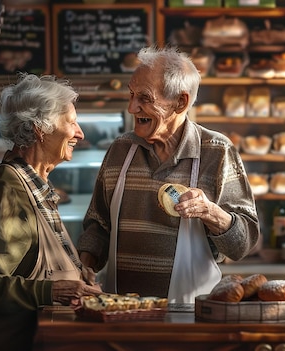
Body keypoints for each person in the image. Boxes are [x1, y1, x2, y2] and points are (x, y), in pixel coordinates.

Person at [77, 46, 260, 305]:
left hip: (192, 314)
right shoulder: (121, 150)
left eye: (144, 98)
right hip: (122, 310)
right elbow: (98, 225)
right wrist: (85, 262)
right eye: (131, 95)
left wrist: (209, 212)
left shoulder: (217, 151)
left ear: (180, 102)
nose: (131, 107)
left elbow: (243, 244)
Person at [0, 73, 101, 351]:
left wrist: (78, 273)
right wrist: (53, 290)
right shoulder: (5, 189)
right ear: (40, 129)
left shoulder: (34, 186)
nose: (79, 133)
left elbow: (29, 260)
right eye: (71, 122)